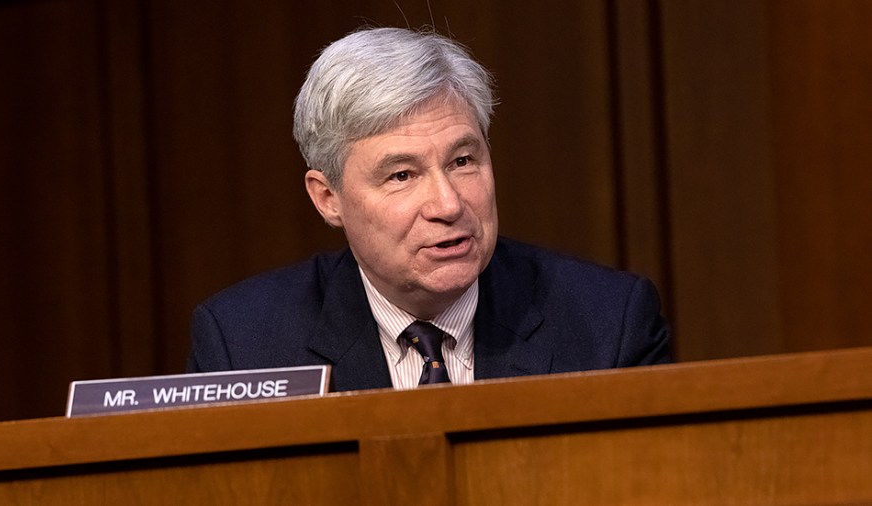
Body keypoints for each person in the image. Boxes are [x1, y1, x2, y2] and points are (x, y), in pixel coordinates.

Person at [186, 27, 671, 391]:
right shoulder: (244, 348)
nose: (448, 203)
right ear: (327, 198)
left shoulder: (611, 325)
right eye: (402, 175)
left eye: (462, 161)